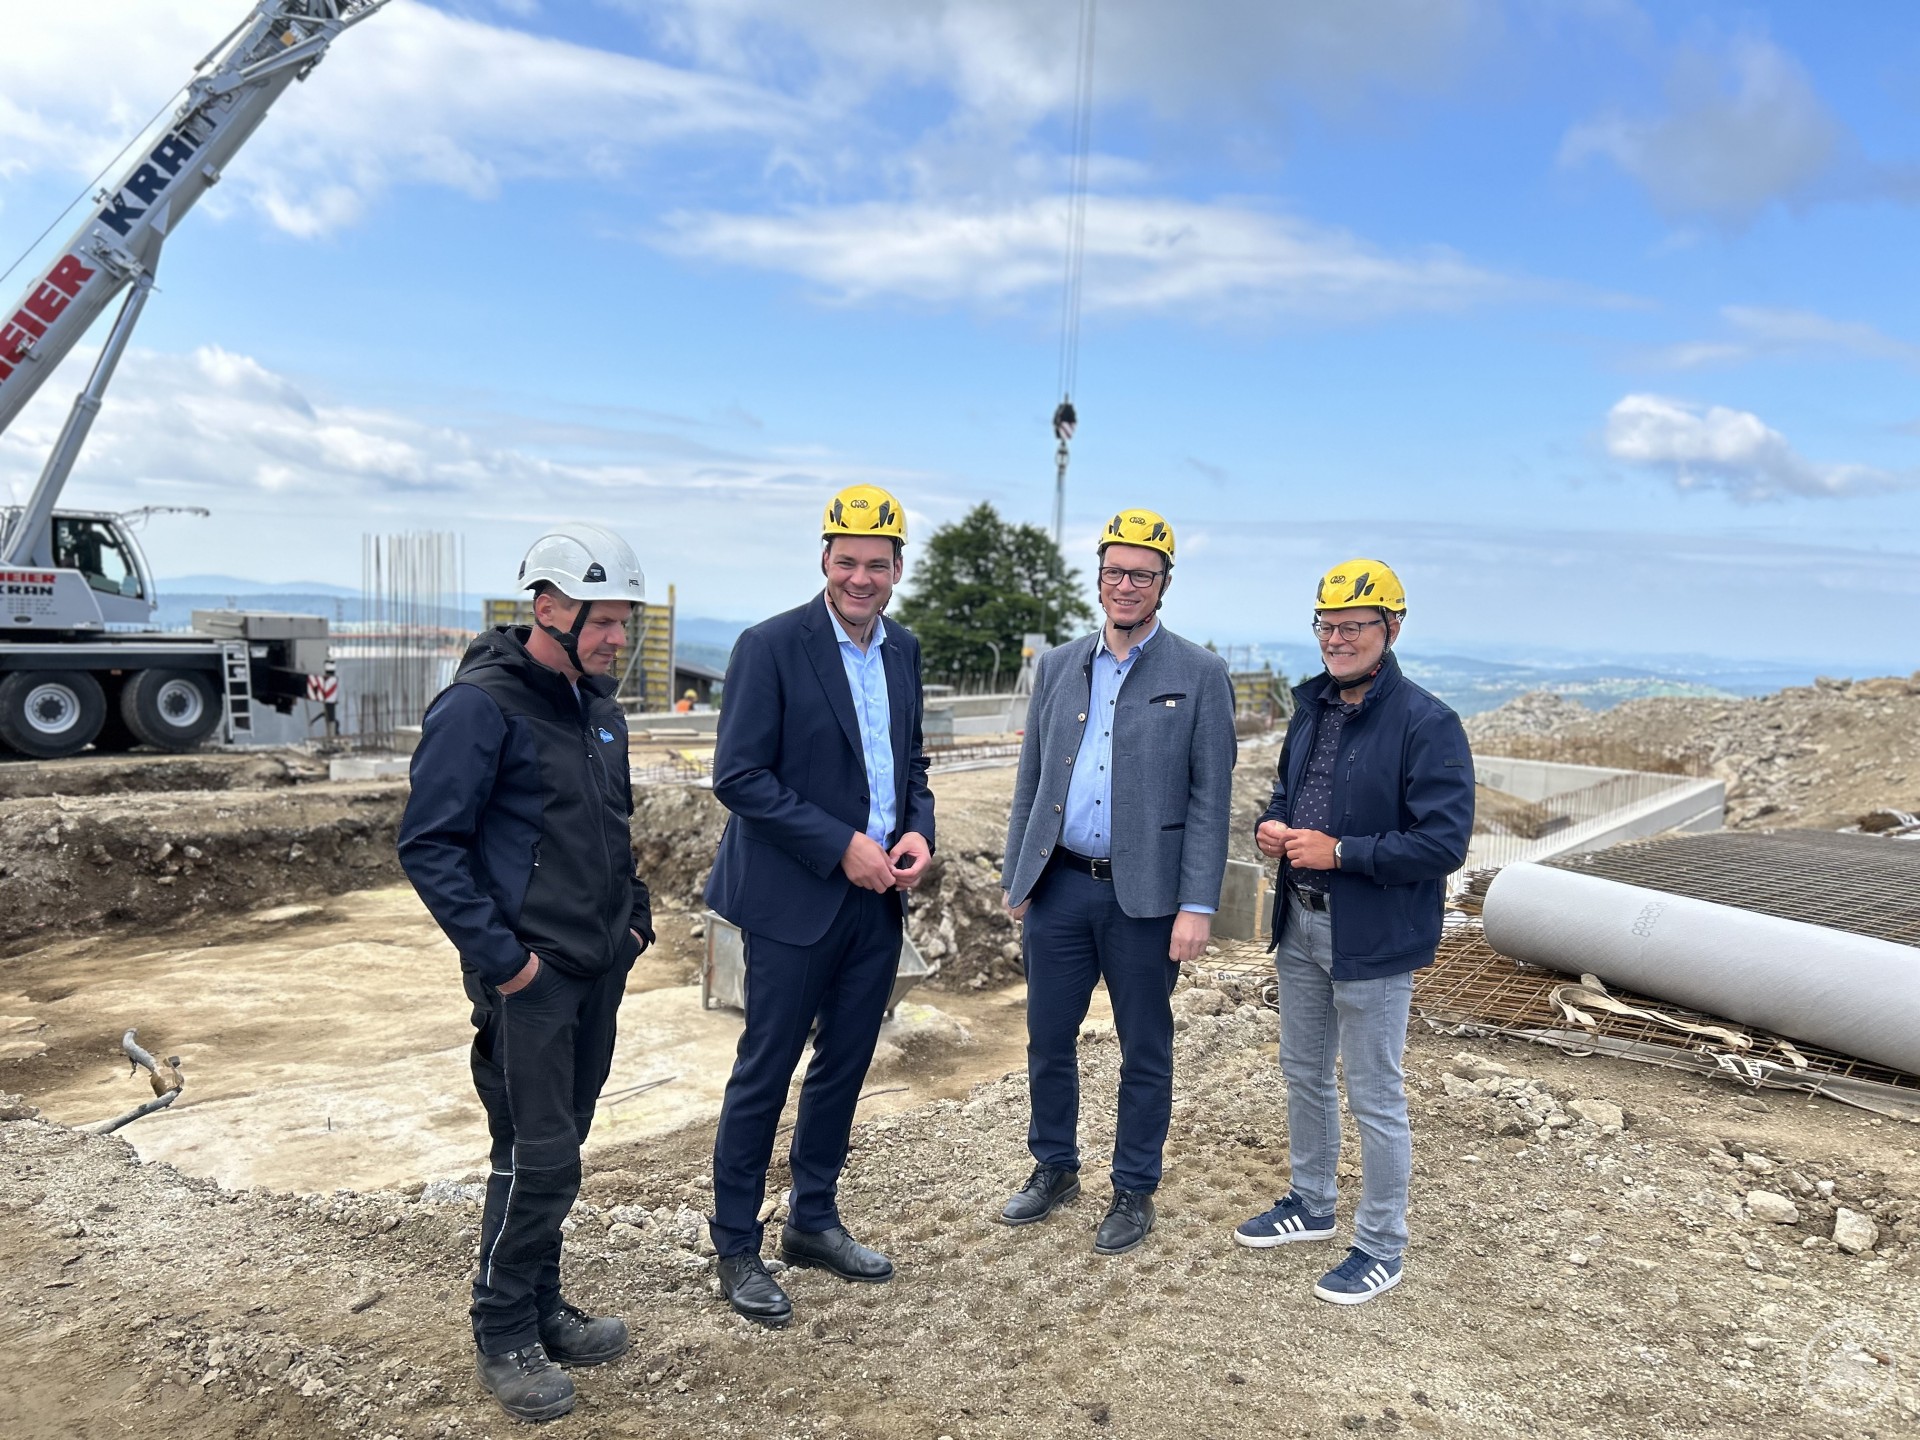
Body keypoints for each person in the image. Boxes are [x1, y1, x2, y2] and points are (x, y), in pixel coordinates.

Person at [397, 524, 654, 1423]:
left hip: (597, 971)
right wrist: (508, 966)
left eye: (625, 621)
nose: (619, 638)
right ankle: (502, 1329)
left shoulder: (598, 710)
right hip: (531, 985)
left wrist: (635, 922)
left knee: (561, 1152)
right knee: (535, 1159)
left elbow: (612, 831)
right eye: (604, 621)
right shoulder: (480, 707)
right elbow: (429, 847)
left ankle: (541, 1307)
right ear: (548, 608)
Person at [704, 483, 936, 1326]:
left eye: (877, 564)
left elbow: (911, 766)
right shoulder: (770, 647)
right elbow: (738, 776)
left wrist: (919, 831)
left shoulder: (903, 650)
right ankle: (737, 1246)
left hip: (876, 903)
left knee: (844, 1064)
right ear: (824, 559)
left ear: (898, 568)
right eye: (847, 562)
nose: (860, 579)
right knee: (765, 1070)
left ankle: (812, 1219)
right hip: (792, 900)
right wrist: (840, 844)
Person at [1233, 559, 1473, 1305]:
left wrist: (1342, 853)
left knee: (1374, 1093)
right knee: (1303, 1071)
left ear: (1391, 628)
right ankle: (1312, 1203)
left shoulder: (1428, 723)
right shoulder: (1313, 708)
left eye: (1353, 626)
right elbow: (1290, 791)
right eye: (1326, 626)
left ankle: (1381, 1245)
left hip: (1371, 934)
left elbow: (1443, 844)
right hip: (1300, 921)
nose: (1335, 639)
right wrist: (1272, 826)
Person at [998, 508, 1236, 1255]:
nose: (1126, 585)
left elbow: (1210, 798)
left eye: (1142, 574)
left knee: (1145, 1049)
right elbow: (1032, 779)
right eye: (1114, 572)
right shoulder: (1058, 665)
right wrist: (1017, 875)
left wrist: (1197, 905)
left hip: (1147, 899)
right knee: (1047, 1038)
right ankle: (1054, 1166)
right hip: (1060, 886)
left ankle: (1134, 1188)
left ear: (1164, 583)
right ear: (1099, 577)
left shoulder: (1200, 674)